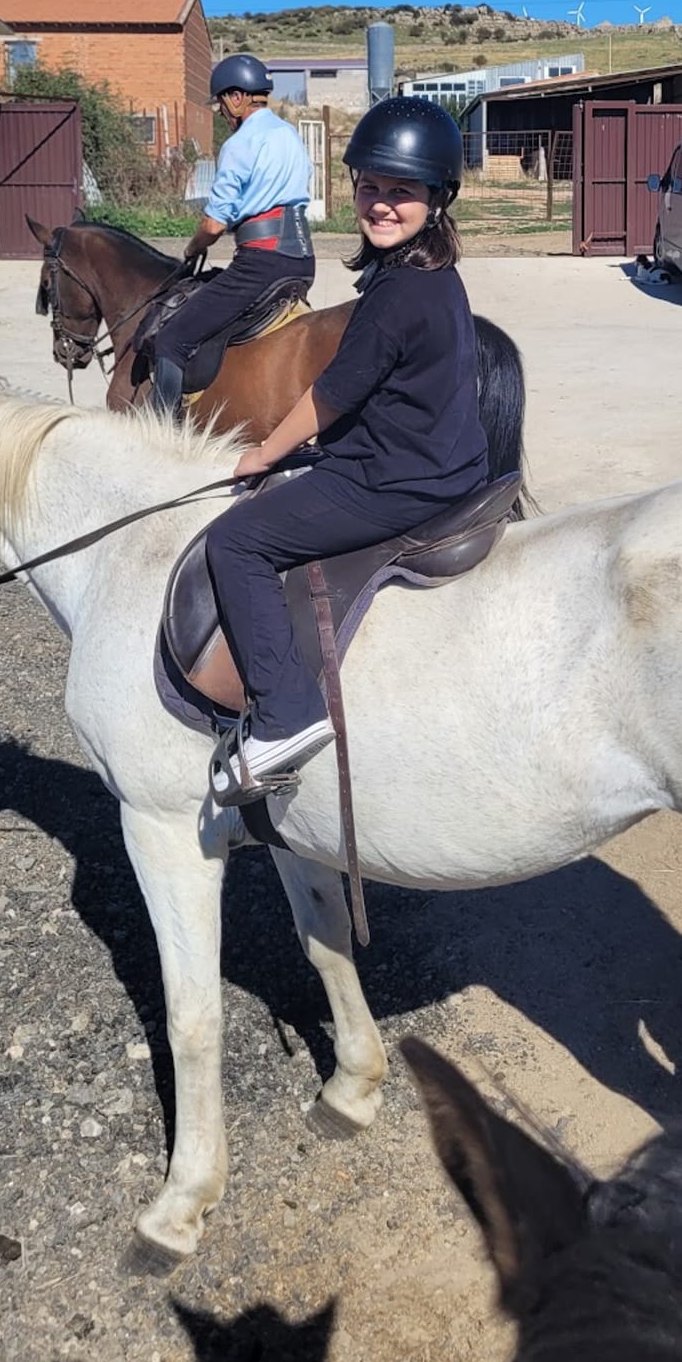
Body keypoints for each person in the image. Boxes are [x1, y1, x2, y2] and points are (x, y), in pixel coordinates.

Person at [206, 96, 489, 802]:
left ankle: (286, 713)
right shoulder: (429, 275)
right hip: (444, 462)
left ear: (437, 198)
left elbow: (330, 395)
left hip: (396, 482)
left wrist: (263, 453)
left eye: (401, 191)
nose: (381, 204)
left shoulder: (398, 294)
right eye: (369, 185)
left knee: (235, 541)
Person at [147, 54, 315, 417]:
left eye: (222, 103)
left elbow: (213, 224)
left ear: (236, 98)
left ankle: (159, 430)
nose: (222, 113)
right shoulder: (290, 135)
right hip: (302, 261)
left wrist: (192, 249)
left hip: (262, 263)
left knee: (173, 339)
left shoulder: (239, 144)